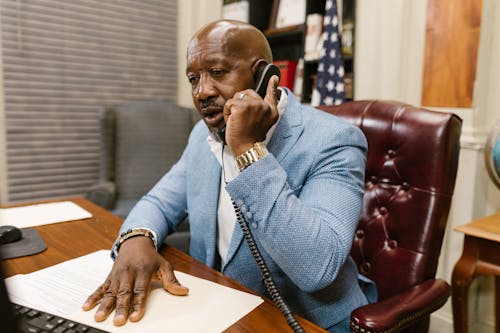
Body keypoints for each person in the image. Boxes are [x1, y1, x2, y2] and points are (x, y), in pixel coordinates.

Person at [82, 19, 375, 332]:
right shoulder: (202, 135)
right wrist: (136, 238)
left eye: (218, 72)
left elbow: (317, 267)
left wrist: (248, 149)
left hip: (305, 322)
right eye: (194, 79)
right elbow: (159, 201)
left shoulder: (335, 140)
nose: (202, 91)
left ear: (264, 76)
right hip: (223, 309)